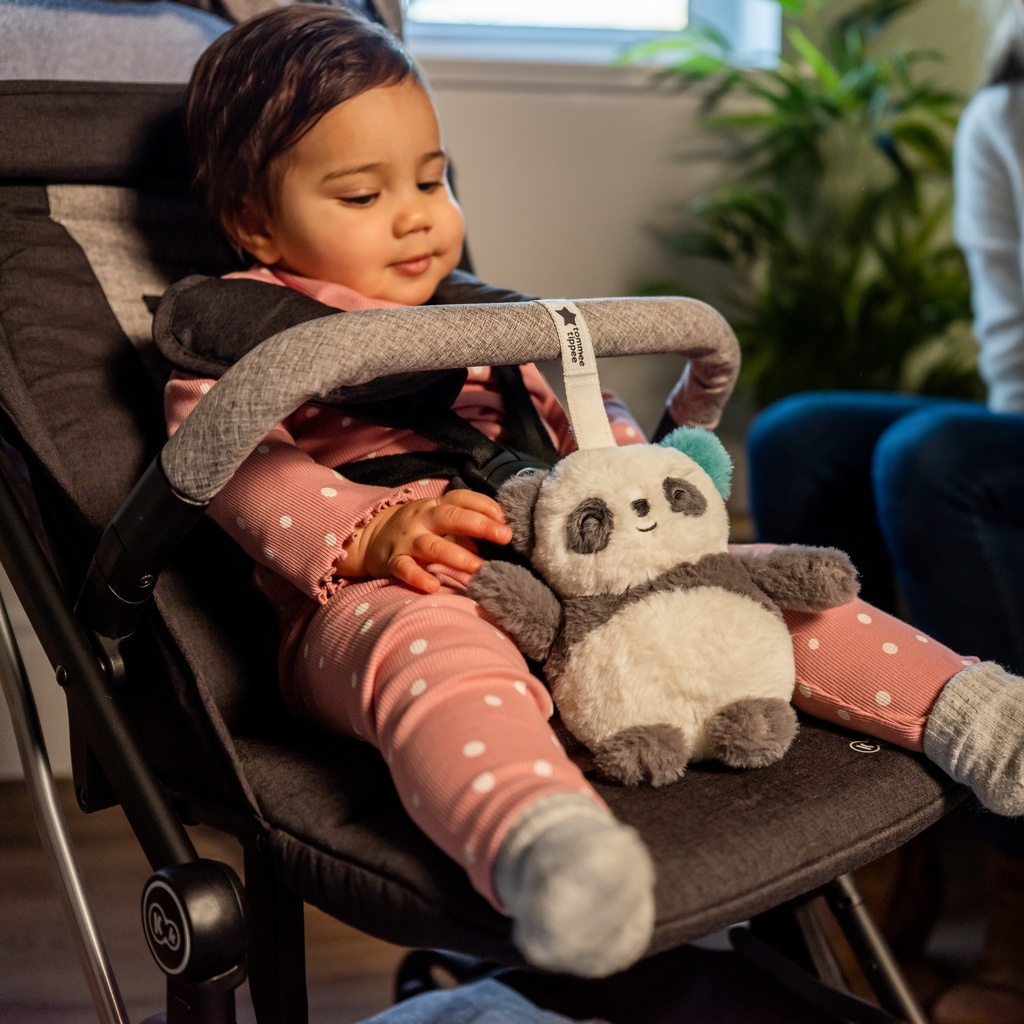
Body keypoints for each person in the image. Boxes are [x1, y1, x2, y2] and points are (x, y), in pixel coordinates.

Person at [167, 3, 1024, 984]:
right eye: (361, 195)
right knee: (437, 652)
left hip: (577, 573)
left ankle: (974, 711)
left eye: (432, 179)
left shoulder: (485, 323)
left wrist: (635, 473)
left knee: (756, 584)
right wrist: (372, 530)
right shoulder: (235, 341)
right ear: (254, 221)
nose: (415, 213)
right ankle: (546, 845)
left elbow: (589, 419)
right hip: (391, 592)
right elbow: (237, 467)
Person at [745, 3, 1024, 1022]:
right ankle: (869, 843)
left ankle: (1016, 891)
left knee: (931, 458)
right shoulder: (1004, 115)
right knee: (796, 435)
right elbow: (1013, 346)